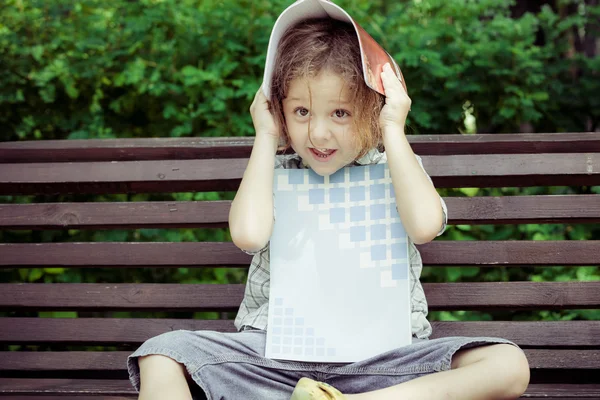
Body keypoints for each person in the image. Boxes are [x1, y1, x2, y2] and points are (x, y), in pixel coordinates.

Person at [127, 16, 530, 400]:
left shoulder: (395, 170)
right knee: (160, 353)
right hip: (274, 364)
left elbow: (425, 225)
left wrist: (391, 127)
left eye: (340, 112)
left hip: (381, 366)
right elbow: (248, 234)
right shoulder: (274, 171)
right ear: (278, 109)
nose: (318, 132)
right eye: (301, 112)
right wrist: (266, 136)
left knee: (507, 363)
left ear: (373, 108)